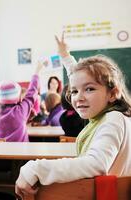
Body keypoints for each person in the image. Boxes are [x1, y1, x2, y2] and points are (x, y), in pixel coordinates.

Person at [15, 34, 131, 198]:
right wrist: (65, 56)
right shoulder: (113, 115)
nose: (79, 97)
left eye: (89, 89)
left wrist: (35, 168)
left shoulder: (113, 120)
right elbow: (80, 78)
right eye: (74, 91)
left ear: (113, 94)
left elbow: (95, 164)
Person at [0, 62, 44, 142]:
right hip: (22, 153)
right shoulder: (20, 110)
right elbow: (32, 91)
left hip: (1, 153)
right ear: (18, 96)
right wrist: (36, 71)